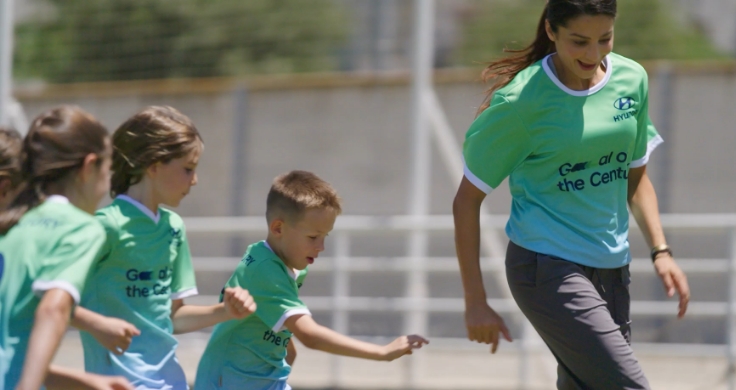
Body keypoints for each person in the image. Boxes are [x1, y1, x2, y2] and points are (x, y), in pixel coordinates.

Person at [453, 1, 690, 389]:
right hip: (547, 267)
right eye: (579, 41)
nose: (593, 54)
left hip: (613, 266)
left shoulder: (632, 79)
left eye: (605, 39)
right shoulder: (521, 102)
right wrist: (475, 300)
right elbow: (466, 200)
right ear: (551, 31)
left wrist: (660, 251)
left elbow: (634, 177)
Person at [74, 106, 256, 389]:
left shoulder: (174, 227)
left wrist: (226, 311)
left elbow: (173, 317)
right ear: (153, 165)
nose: (194, 180)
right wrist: (98, 325)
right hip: (117, 382)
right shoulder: (104, 227)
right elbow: (52, 302)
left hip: (171, 381)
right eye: (188, 169)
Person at [194, 170, 429, 390]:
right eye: (313, 237)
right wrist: (382, 352)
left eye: (325, 236)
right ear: (278, 228)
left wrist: (285, 346)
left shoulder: (286, 264)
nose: (321, 246)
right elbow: (311, 336)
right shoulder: (264, 270)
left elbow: (270, 314)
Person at [0, 108, 132, 390]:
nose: (106, 185)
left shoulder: (13, 223)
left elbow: (12, 342)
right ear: (89, 167)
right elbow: (53, 310)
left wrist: (85, 381)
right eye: (108, 171)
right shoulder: (80, 228)